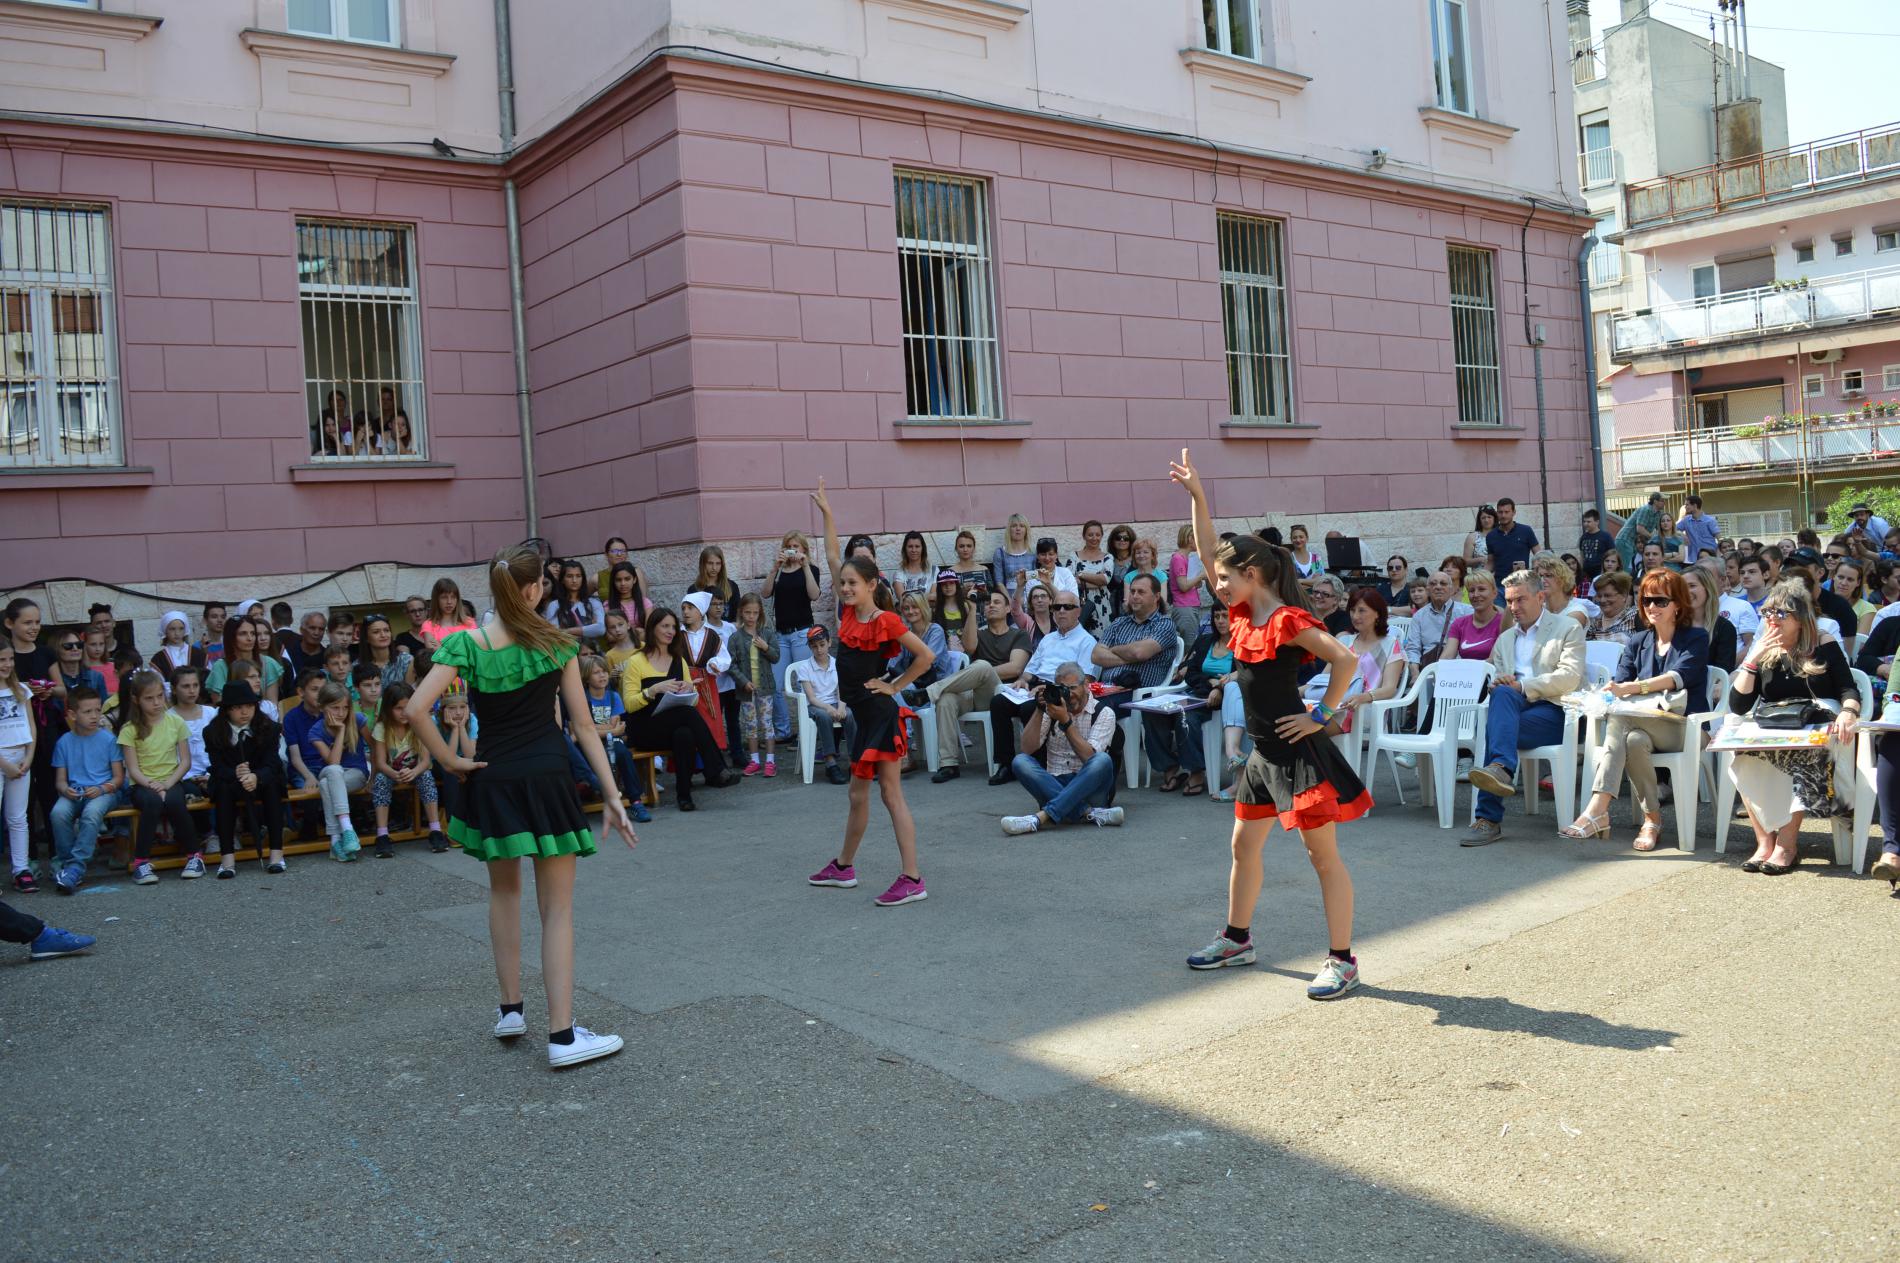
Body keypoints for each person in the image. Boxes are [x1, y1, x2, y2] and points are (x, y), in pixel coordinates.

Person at [407, 543, 637, 1070]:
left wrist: (451, 760)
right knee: (557, 910)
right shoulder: (556, 643)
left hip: (493, 776)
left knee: (504, 893)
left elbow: (417, 709)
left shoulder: (468, 643)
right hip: (548, 776)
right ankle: (562, 1036)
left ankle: (511, 1010)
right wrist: (612, 794)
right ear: (534, 590)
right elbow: (583, 726)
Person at [1171, 452, 1368, 997]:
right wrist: (1199, 496)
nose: (1217, 585)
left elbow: (1345, 659)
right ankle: (1237, 939)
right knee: (1243, 848)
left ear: (1251, 575)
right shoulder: (1243, 613)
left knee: (1321, 857)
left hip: (1297, 754)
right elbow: (1208, 550)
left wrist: (1320, 714)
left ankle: (1342, 960)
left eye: (1225, 579)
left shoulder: (1285, 620)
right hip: (1262, 755)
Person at [806, 480, 934, 908]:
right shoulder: (847, 614)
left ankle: (912, 878)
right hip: (862, 715)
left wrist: (894, 686)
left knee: (890, 795)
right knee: (857, 794)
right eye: (843, 583)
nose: (844, 588)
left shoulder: (885, 619)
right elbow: (831, 554)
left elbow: (926, 657)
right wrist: (828, 514)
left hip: (879, 714)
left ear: (871, 584)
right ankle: (844, 867)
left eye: (852, 583)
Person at [1563, 570, 1711, 849]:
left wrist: (1633, 688)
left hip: (1686, 728)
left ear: (1678, 604)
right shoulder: (1638, 641)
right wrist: (1610, 691)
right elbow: (1619, 683)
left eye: (1660, 600)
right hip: (1641, 726)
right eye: (1646, 600)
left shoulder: (1696, 637)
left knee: (1622, 719)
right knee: (1633, 739)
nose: (1652, 606)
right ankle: (1652, 820)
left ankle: (1597, 809)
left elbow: (1678, 677)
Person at [1727, 582, 1860, 875]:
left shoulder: (1823, 642)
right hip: (1775, 724)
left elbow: (1848, 688)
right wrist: (1753, 659)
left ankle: (1787, 846)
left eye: (1781, 613)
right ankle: (1764, 842)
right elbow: (1738, 704)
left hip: (1816, 722)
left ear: (1800, 617)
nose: (1772, 619)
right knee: (1743, 754)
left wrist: (1848, 712)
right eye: (1767, 612)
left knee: (1802, 756)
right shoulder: (1765, 649)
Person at [619, 607, 736, 810]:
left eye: (673, 627)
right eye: (665, 626)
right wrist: (653, 690)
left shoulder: (678, 660)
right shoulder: (636, 661)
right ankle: (716, 769)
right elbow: (629, 704)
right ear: (652, 628)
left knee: (685, 734)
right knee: (687, 715)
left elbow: (692, 702)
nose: (671, 631)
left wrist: (690, 689)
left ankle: (684, 796)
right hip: (644, 729)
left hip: (672, 725)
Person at [999, 662, 1124, 835]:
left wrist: (1066, 722)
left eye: (1072, 688)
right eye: (1063, 689)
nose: (1068, 694)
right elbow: (1027, 749)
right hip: (1054, 782)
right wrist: (1039, 710)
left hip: (1089, 786)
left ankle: (1039, 818)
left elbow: (1089, 758)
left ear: (1086, 685)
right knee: (1020, 761)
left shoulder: (1104, 713)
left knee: (1102, 760)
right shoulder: (1051, 710)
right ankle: (1089, 813)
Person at [1092, 574, 1186, 789]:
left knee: (1097, 709)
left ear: (1156, 597)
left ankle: (1102, 769)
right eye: (1132, 591)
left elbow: (1140, 653)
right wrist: (1130, 654)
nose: (1134, 596)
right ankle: (1087, 763)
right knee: (1075, 703)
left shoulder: (1164, 625)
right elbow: (1096, 655)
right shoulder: (1119, 622)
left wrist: (1114, 650)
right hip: (1107, 688)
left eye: (1141, 592)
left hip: (1138, 692)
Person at [927, 589, 1031, 783]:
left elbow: (1015, 668)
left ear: (1008, 608)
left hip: (1002, 693)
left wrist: (984, 672)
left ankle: (928, 692)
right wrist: (973, 610)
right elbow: (969, 647)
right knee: (946, 699)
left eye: (997, 602)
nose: (991, 605)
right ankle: (949, 764)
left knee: (982, 665)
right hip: (975, 693)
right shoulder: (979, 634)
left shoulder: (1019, 635)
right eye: (988, 603)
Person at [115, 668, 201, 884]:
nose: (156, 702)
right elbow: (132, 769)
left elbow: (185, 761)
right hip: (142, 784)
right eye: (149, 698)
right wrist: (153, 785)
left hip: (171, 780)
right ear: (136, 700)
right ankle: (141, 863)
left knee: (175, 801)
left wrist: (167, 784)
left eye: (160, 696)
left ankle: (194, 856)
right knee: (152, 802)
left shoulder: (176, 722)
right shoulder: (129, 729)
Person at [202, 681, 287, 876]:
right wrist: (236, 773)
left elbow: (273, 762)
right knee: (223, 790)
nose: (244, 712)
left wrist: (257, 776)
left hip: (262, 777)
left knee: (273, 786)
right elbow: (217, 766)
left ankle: (276, 855)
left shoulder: (269, 727)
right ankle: (227, 859)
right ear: (227, 710)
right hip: (230, 779)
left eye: (249, 706)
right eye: (238, 707)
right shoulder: (212, 732)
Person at [48, 685, 121, 893]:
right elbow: (60, 781)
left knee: (91, 813)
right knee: (58, 813)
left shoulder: (109, 740)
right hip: (76, 792)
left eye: (98, 710)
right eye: (87, 711)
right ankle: (67, 865)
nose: (94, 716)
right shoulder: (64, 742)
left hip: (105, 791)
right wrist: (65, 790)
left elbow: (118, 778)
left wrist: (102, 788)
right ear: (72, 715)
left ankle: (75, 867)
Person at [1315, 589, 1409, 743]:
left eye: (1362, 610)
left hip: (1365, 708)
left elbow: (1389, 689)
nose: (1355, 616)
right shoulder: (1344, 642)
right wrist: (1297, 691)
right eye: (1352, 610)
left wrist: (1364, 697)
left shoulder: (1391, 644)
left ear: (1377, 613)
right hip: (1334, 705)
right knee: (1294, 718)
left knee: (1310, 727)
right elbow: (1322, 679)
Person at [368, 680, 444, 858]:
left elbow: (425, 760)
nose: (403, 713)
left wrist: (414, 771)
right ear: (388, 708)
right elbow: (380, 762)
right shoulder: (382, 728)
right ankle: (382, 835)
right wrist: (394, 774)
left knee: (426, 777)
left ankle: (435, 830)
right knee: (381, 780)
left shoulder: (420, 724)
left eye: (407, 707)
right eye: (398, 708)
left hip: (416, 770)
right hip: (391, 772)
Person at [764, 529, 822, 743]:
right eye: (788, 546)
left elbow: (814, 595)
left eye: (795, 546)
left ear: (803, 549)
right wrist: (774, 568)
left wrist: (805, 565)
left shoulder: (811, 569)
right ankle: (783, 731)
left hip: (801, 634)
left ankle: (808, 731)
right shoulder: (779, 570)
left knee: (803, 684)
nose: (792, 550)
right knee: (776, 685)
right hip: (781, 635)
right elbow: (765, 593)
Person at [310, 681, 370, 861]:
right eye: (335, 708)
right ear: (322, 707)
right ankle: (348, 829)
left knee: (325, 785)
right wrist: (341, 731)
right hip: (330, 771)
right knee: (333, 772)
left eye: (345, 708)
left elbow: (376, 747)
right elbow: (333, 762)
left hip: (356, 773)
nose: (341, 713)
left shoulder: (358, 720)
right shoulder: (316, 731)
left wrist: (374, 776)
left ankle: (335, 840)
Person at [727, 593, 779, 777]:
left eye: (755, 613)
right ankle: (755, 761)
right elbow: (730, 665)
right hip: (746, 691)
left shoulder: (767, 634)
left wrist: (765, 647)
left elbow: (776, 657)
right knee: (750, 724)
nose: (751, 616)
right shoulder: (735, 638)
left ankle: (770, 761)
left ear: (760, 614)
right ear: (741, 612)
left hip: (765, 688)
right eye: (747, 612)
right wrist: (743, 682)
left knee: (767, 723)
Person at [0, 644, 37, 892]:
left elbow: (30, 726)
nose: (8, 664)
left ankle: (21, 869)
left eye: (10, 659)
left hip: (21, 759)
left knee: (18, 818)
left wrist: (29, 756)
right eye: (2, 660)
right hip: (1, 759)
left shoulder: (21, 690)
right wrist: (5, 765)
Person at [676, 591, 731, 759]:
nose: (685, 612)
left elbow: (725, 658)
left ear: (700, 611)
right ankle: (690, 762)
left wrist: (714, 664)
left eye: (690, 608)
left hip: (706, 684)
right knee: (688, 721)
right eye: (683, 608)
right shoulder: (678, 635)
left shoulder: (712, 635)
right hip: (684, 684)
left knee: (708, 721)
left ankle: (710, 761)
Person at [798, 626, 851, 784]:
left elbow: (842, 690)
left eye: (822, 644)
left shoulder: (838, 664)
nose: (819, 650)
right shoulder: (805, 667)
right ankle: (830, 762)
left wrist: (841, 707)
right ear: (810, 647)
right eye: (814, 646)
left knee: (851, 714)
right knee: (824, 716)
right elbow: (811, 698)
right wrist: (828, 708)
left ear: (829, 642)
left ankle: (855, 760)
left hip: (835, 702)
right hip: (816, 705)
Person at [205, 615, 283, 704]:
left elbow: (272, 704)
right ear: (231, 637)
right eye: (243, 634)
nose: (250, 638)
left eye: (253, 633)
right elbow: (219, 705)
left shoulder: (268, 663)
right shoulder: (220, 667)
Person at [1404, 572, 1472, 666]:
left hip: (1458, 665)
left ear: (1451, 589)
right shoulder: (1419, 616)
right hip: (1428, 666)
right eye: (1433, 584)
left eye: (1443, 583)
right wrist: (1415, 671)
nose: (1438, 587)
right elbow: (1413, 649)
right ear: (1428, 590)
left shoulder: (1466, 612)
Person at [1682, 562, 1739, 673]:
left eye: (1692, 586)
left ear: (1707, 588)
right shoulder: (1673, 624)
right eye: (1682, 587)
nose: (1686, 591)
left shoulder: (1724, 628)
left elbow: (1722, 672)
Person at [1441, 571, 1503, 662]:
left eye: (1481, 589)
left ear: (1494, 593)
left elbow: (1494, 660)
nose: (1476, 595)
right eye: (1471, 591)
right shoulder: (1459, 624)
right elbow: (1447, 657)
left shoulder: (1503, 623)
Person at [544, 560, 606, 645]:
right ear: (562, 579)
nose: (574, 580)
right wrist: (590, 629)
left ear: (583, 579)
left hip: (593, 651)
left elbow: (600, 629)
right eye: (569, 576)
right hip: (567, 651)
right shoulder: (555, 605)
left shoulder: (593, 602)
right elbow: (554, 635)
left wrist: (567, 631)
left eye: (578, 576)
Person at [1068, 520, 1115, 631]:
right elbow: (1070, 581)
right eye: (1090, 535)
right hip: (1079, 604)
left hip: (1101, 606)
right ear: (1084, 536)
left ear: (1102, 536)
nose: (1094, 538)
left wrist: (1081, 575)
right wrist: (1096, 583)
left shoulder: (1107, 557)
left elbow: (1105, 579)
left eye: (1097, 535)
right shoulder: (1074, 556)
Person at [1533, 553, 1597, 630]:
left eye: (1548, 575)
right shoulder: (1537, 609)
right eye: (1540, 576)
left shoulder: (1576, 612)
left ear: (1563, 579)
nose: (1542, 580)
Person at [1167, 525, 1208, 640]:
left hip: (1190, 605)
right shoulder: (1178, 558)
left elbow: (1192, 584)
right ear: (1190, 539)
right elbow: (1183, 586)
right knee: (1189, 643)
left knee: (1192, 640)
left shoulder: (1187, 558)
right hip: (1184, 606)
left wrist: (1198, 580)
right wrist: (1200, 576)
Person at [146, 610, 205, 686]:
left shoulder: (198, 654)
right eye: (172, 629)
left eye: (181, 628)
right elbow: (157, 685)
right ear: (165, 631)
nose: (177, 633)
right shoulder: (159, 659)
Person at [359, 613, 415, 691]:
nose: (383, 635)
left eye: (386, 630)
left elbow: (410, 693)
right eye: (376, 632)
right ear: (366, 638)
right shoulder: (358, 666)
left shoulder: (406, 660)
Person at [1485, 497, 1538, 579]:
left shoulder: (1526, 531)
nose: (1503, 515)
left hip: (1522, 582)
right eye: (1500, 512)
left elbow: (1538, 555)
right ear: (1497, 513)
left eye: (1507, 512)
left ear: (1513, 512)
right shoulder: (1491, 536)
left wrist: (1534, 571)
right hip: (1500, 583)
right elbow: (1490, 562)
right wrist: (1480, 576)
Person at [420, 577, 477, 650]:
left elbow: (473, 650)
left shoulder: (469, 622)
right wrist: (461, 648)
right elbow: (433, 652)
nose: (449, 602)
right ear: (436, 599)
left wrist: (442, 648)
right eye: (444, 597)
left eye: (453, 597)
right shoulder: (428, 625)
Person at [1616, 492, 1666, 572]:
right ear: (1655, 501)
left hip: (1635, 542)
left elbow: (1660, 529)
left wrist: (1677, 534)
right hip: (1625, 540)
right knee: (1627, 569)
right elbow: (1640, 529)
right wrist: (1653, 539)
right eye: (1662, 501)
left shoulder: (1658, 513)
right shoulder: (1645, 510)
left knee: (1635, 568)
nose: (1664, 503)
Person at [1588, 571, 1639, 646]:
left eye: (1608, 595)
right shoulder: (1594, 622)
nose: (1602, 600)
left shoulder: (1636, 616)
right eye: (1599, 596)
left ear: (1624, 595)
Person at [601, 561, 649, 635]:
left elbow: (649, 631)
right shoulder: (607, 605)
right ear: (613, 582)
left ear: (634, 579)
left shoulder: (645, 603)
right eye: (618, 580)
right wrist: (635, 632)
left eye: (627, 579)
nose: (623, 583)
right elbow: (609, 635)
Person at [991, 514, 1035, 593]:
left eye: (1022, 526)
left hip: (1031, 595)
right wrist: (1009, 599)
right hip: (1009, 595)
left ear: (1026, 530)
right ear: (1009, 530)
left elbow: (1037, 579)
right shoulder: (1000, 553)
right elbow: (999, 582)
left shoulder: (1033, 552)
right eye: (1014, 526)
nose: (1018, 529)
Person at [1676, 495, 1721, 564]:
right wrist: (1682, 535)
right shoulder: (1686, 520)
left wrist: (1718, 557)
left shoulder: (1710, 520)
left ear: (1695, 506)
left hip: (1710, 558)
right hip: (1693, 560)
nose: (1685, 507)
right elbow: (1672, 530)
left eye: (1687, 505)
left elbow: (1719, 539)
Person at [1577, 508, 1615, 583]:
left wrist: (1606, 572)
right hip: (1586, 574)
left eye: (1588, 522)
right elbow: (1582, 555)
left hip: (1601, 573)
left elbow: (1613, 554)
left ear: (1597, 522)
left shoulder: (1606, 536)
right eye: (1584, 521)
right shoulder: (1583, 537)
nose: (1585, 524)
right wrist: (1581, 571)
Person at [891, 531, 934, 599]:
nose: (914, 550)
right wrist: (926, 597)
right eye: (910, 546)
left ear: (922, 548)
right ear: (905, 549)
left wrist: (910, 598)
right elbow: (903, 599)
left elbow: (934, 598)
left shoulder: (933, 570)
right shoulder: (899, 574)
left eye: (917, 546)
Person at [1463, 505, 1497, 569]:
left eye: (1489, 517)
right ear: (1479, 520)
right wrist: (1479, 560)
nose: (1486, 520)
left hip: (1499, 574)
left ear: (1494, 518)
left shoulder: (1501, 535)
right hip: (1479, 574)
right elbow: (1464, 561)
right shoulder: (1472, 537)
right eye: (1483, 518)